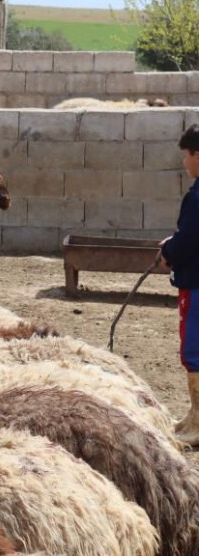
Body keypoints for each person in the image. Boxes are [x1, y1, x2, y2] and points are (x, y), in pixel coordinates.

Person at [161, 123, 199, 445]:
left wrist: (168, 252)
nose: (185, 162)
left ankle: (198, 423)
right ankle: (194, 414)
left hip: (197, 285)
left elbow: (189, 241)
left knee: (194, 351)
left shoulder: (197, 198)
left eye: (186, 155)